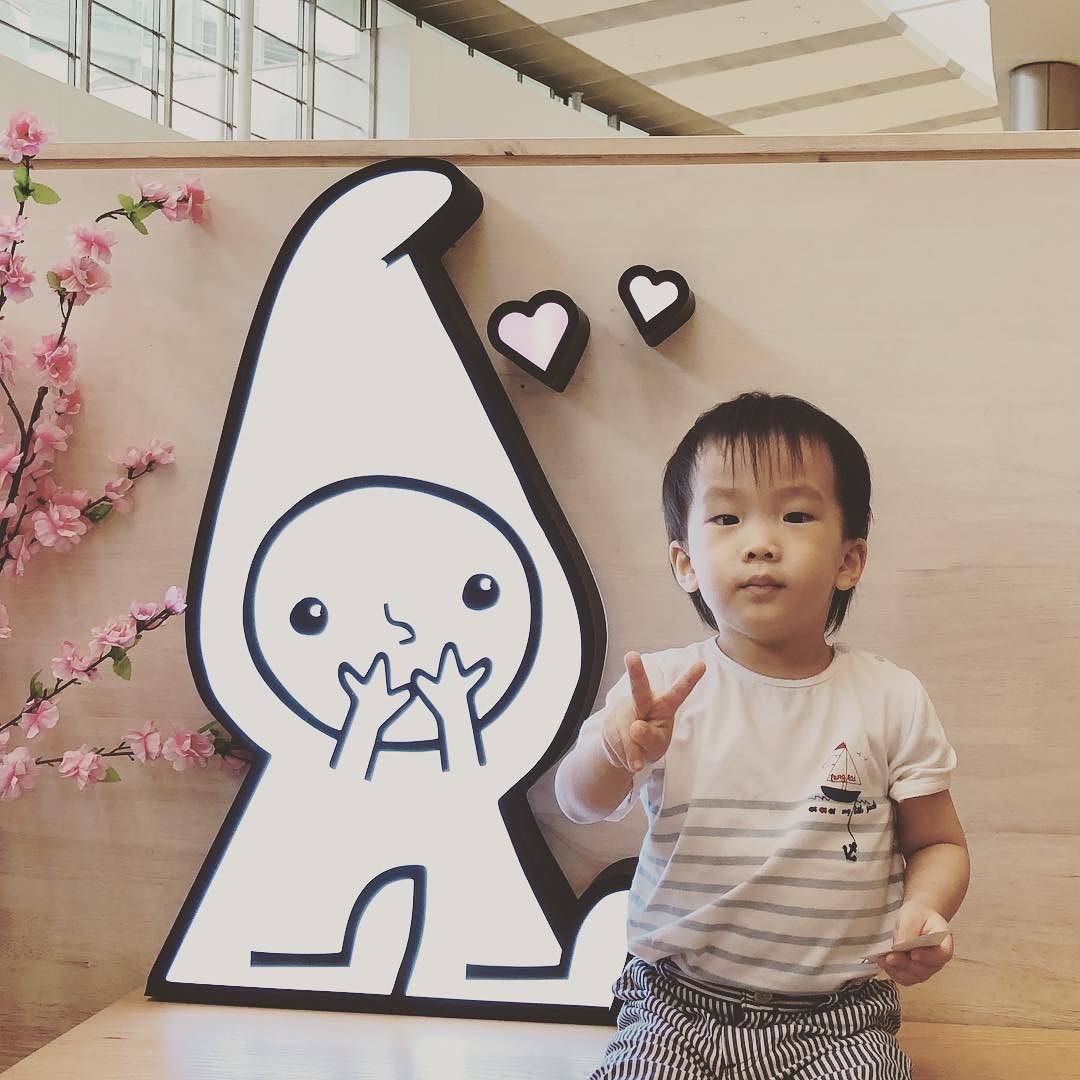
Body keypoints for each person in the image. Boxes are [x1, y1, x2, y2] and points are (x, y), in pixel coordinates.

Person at [555, 391, 970, 1079]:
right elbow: (577, 801)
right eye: (727, 517)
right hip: (675, 1005)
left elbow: (938, 843)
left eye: (796, 515)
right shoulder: (660, 689)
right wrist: (614, 749)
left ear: (849, 559)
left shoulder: (890, 698)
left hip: (837, 1019)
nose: (759, 542)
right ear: (685, 562)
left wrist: (924, 908)